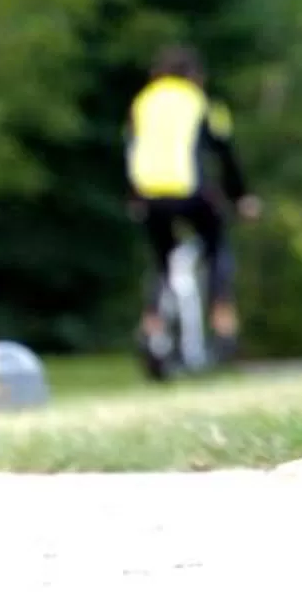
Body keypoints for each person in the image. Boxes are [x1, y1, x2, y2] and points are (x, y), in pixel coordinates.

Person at [126, 43, 256, 366]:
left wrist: (134, 194)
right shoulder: (201, 102)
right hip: (191, 191)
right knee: (216, 249)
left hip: (149, 194)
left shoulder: (142, 103)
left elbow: (130, 149)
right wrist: (241, 197)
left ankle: (151, 327)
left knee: (161, 261)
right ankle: (222, 323)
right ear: (195, 76)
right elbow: (224, 153)